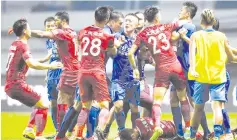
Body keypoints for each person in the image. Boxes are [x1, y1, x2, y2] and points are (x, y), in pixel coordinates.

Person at [128, 6, 188, 140]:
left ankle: (157, 127)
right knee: (183, 99)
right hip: (176, 66)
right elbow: (182, 22)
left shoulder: (142, 34)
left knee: (156, 103)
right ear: (156, 18)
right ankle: (189, 129)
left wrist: (135, 68)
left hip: (161, 69)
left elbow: (130, 53)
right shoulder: (167, 26)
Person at [5, 19, 62, 140]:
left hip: (11, 85)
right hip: (17, 84)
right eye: (29, 28)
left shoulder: (15, 43)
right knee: (44, 105)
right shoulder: (23, 45)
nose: (31, 30)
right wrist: (50, 66)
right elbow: (32, 64)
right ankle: (37, 135)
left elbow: (26, 61)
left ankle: (30, 129)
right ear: (25, 31)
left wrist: (45, 59)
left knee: (39, 104)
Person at [30, 11, 82, 138]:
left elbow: (41, 34)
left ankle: (62, 133)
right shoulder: (73, 33)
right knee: (71, 104)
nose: (53, 25)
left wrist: (24, 31)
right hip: (72, 70)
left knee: (61, 103)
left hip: (66, 70)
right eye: (49, 24)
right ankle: (67, 132)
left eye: (56, 21)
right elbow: (53, 53)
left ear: (63, 21)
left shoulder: (61, 33)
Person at [187, 9, 237, 140]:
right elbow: (231, 57)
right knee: (217, 108)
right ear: (214, 21)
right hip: (218, 77)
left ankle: (192, 136)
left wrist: (192, 69)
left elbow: (192, 56)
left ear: (201, 21)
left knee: (198, 108)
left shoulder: (195, 36)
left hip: (201, 77)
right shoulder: (221, 36)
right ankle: (218, 135)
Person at [75, 6, 116, 140]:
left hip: (82, 72)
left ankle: (78, 135)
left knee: (85, 107)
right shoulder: (107, 35)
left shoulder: (83, 31)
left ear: (94, 17)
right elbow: (113, 53)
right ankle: (97, 134)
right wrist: (116, 45)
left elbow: (79, 46)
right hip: (97, 72)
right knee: (104, 105)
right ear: (107, 20)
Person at [38, 16, 62, 133]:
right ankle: (57, 131)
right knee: (53, 102)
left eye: (53, 25)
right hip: (52, 73)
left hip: (63, 72)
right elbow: (50, 55)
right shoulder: (48, 41)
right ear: (45, 28)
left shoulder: (62, 37)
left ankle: (67, 130)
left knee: (64, 102)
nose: (51, 28)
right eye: (48, 26)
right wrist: (44, 66)